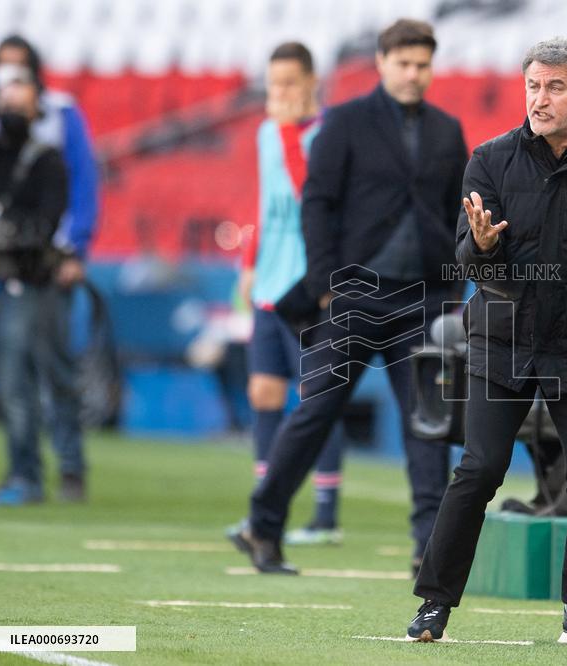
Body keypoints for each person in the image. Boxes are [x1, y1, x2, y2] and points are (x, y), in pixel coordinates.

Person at [406, 37, 567, 647]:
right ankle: (434, 606)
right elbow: (468, 260)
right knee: (480, 469)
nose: (540, 98)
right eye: (533, 86)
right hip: (501, 342)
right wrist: (482, 246)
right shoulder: (488, 160)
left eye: (555, 86)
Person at [230, 19, 468, 575]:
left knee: (426, 426)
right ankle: (262, 527)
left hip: (423, 301)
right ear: (382, 63)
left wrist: (453, 290)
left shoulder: (447, 130)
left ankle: (428, 550)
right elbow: (317, 202)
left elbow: (460, 213)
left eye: (422, 64)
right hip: (353, 296)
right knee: (316, 411)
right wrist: (323, 284)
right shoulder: (346, 121)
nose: (413, 73)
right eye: (404, 63)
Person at [0, 35, 99, 503]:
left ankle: (64, 468)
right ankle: (8, 471)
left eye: (19, 74)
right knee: (8, 371)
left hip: (42, 266)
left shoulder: (61, 120)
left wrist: (75, 251)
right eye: (3, 74)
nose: (10, 85)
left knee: (46, 369)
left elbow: (81, 189)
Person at [232, 41, 346, 547]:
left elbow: (312, 199)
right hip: (270, 281)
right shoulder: (264, 133)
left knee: (316, 397)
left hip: (309, 285)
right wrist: (249, 262)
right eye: (272, 83)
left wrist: (287, 134)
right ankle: (263, 508)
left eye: (287, 83)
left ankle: (325, 512)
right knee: (264, 391)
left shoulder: (326, 135)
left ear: (310, 83)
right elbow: (265, 202)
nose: (277, 93)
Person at [0, 65, 67, 506]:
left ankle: (25, 475)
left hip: (23, 280)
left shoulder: (47, 160)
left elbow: (44, 228)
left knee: (15, 381)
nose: (10, 105)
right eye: (4, 97)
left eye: (20, 96)